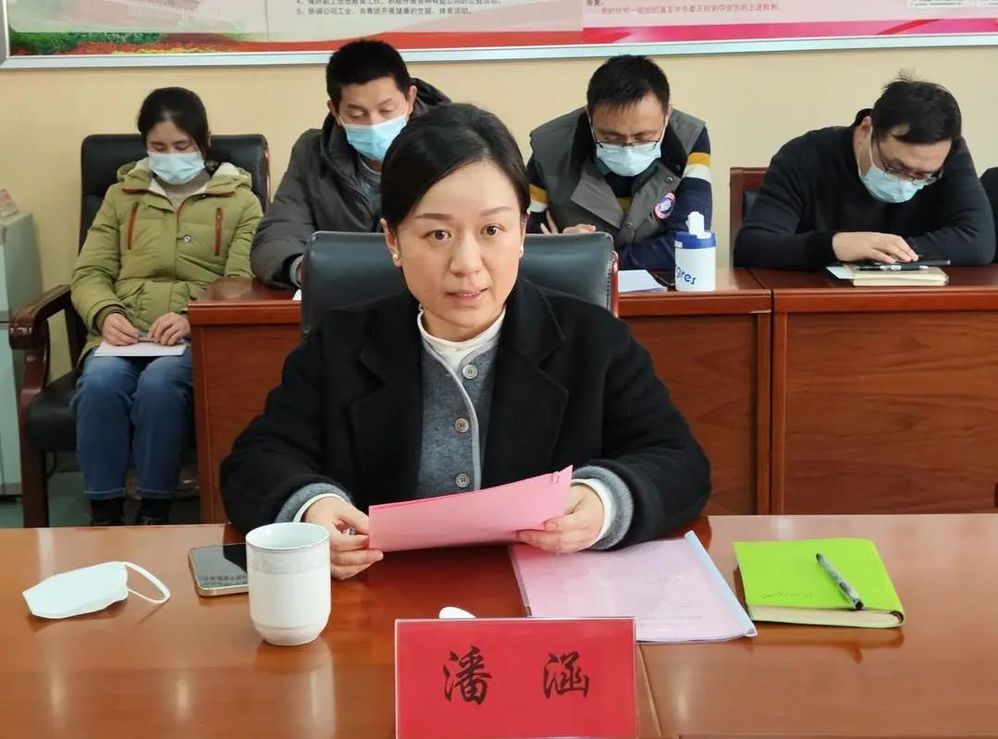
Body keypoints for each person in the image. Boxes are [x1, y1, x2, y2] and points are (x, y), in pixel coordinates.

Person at [222, 103, 710, 579]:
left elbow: (679, 461)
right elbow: (256, 461)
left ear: (522, 232)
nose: (467, 263)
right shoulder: (342, 344)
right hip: (384, 602)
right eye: (437, 235)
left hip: (543, 601)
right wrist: (311, 507)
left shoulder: (593, 340)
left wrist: (604, 500)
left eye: (492, 229)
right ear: (393, 241)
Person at [71, 87, 261, 526]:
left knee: (160, 385)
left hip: (194, 337)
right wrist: (106, 314)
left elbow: (240, 282)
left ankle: (154, 508)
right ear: (144, 146)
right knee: (99, 382)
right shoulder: (121, 196)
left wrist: (193, 318)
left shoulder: (240, 202)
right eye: (158, 147)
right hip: (123, 332)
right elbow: (90, 272)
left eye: (181, 146)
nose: (170, 157)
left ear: (204, 142)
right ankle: (104, 510)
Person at [733, 76, 995, 269]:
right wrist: (834, 245)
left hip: (917, 305)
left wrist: (884, 251)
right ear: (865, 131)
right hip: (819, 307)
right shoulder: (805, 155)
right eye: (896, 167)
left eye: (922, 176)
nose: (906, 182)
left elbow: (978, 241)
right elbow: (752, 247)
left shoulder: (949, 156)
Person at [251, 38, 449, 288]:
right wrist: (306, 270)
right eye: (357, 114)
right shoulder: (312, 154)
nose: (374, 124)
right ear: (335, 111)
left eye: (386, 110)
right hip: (343, 297)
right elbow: (276, 237)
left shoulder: (455, 149)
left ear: (410, 99)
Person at [525, 55, 711, 271]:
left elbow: (687, 243)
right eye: (611, 137)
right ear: (589, 117)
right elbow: (525, 246)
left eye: (643, 137)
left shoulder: (690, 138)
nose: (628, 147)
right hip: (574, 284)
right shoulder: (549, 148)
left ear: (667, 115)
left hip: (663, 283)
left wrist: (585, 256)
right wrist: (559, 250)